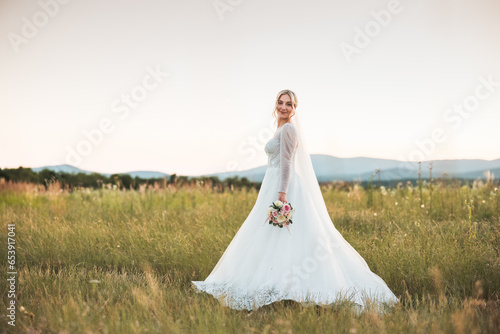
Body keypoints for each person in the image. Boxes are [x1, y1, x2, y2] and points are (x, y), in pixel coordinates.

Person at [192, 89, 399, 311]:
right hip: (273, 183)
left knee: (290, 234)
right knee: (272, 234)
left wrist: (282, 193)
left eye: (288, 104)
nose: (283, 107)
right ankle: (273, 280)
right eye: (280, 102)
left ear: (294, 108)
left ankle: (296, 285)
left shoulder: (289, 128)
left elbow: (287, 163)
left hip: (283, 186)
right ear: (275, 105)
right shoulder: (280, 127)